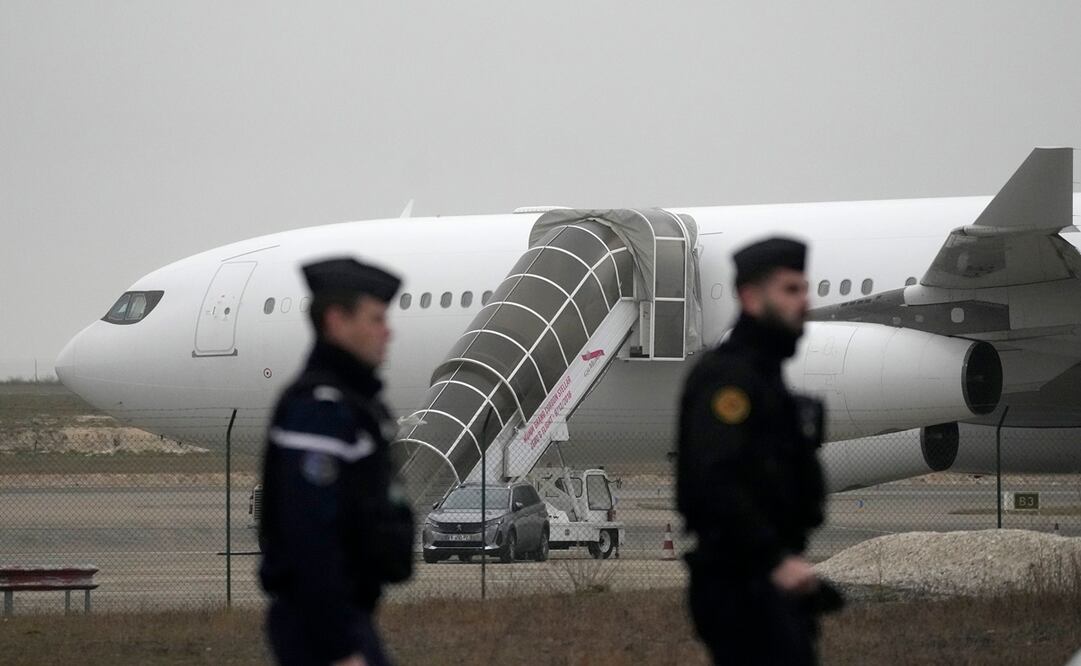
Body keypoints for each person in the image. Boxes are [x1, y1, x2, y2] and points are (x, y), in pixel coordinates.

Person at [676, 237, 836, 665]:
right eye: (789, 290)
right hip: (742, 583)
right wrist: (774, 561)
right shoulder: (729, 379)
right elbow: (715, 482)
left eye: (804, 289)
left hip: (770, 578)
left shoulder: (766, 375)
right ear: (750, 296)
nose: (804, 301)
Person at [260, 257, 414, 666]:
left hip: (347, 612)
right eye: (376, 319)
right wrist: (338, 645)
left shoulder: (354, 404)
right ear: (336, 321)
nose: (388, 332)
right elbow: (309, 535)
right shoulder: (320, 410)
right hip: (321, 623)